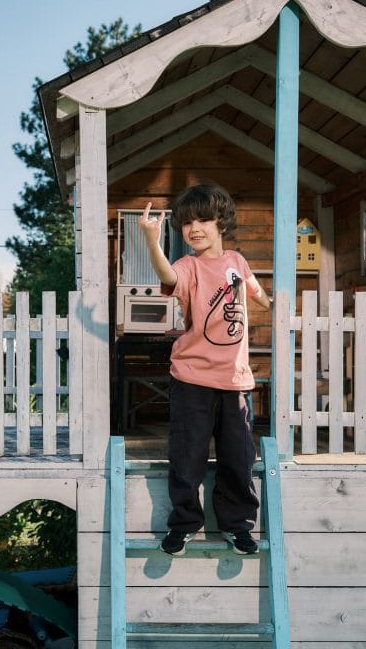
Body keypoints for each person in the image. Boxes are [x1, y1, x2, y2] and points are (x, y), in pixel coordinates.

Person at [138, 181, 272, 555]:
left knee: (239, 457)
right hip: (192, 378)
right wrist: (152, 241)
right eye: (186, 223)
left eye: (203, 220)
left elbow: (258, 294)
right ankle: (184, 524)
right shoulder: (188, 266)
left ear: (221, 222)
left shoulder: (238, 262)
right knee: (188, 455)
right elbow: (168, 277)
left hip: (234, 380)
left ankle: (237, 526)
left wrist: (276, 304)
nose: (194, 228)